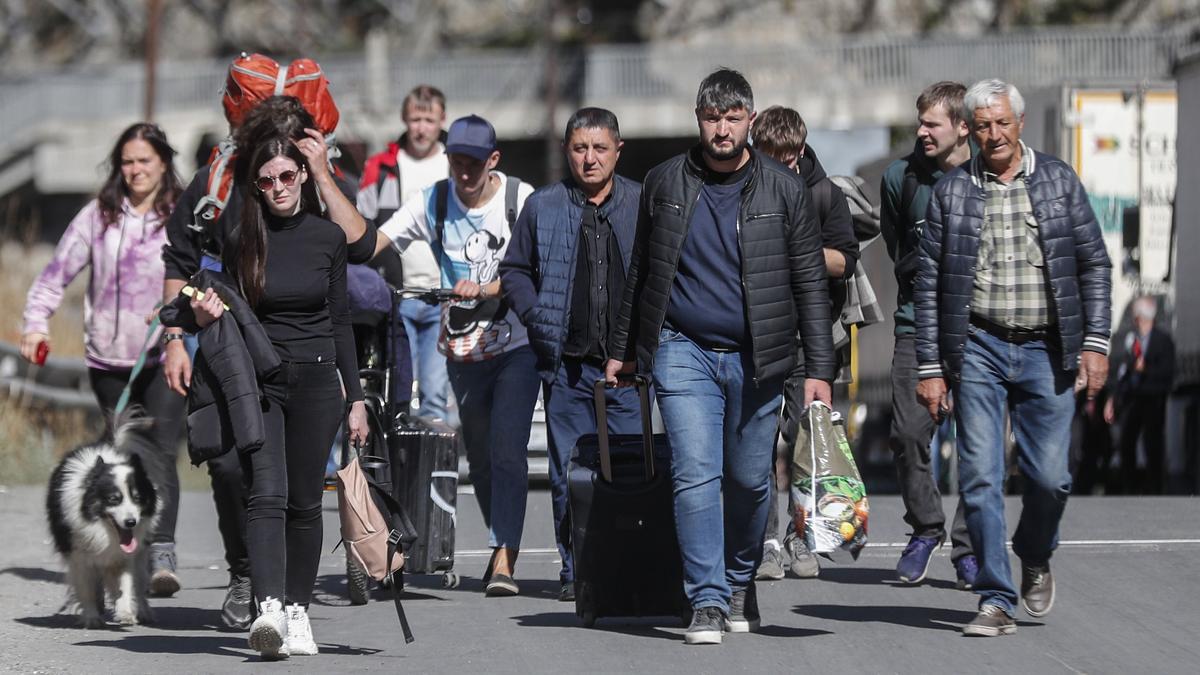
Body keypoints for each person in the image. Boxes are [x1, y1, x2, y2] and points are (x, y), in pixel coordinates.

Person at [604, 68, 835, 645]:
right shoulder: (664, 182)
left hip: (763, 357)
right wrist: (623, 351)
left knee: (751, 480)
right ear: (699, 119)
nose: (723, 128)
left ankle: (738, 582)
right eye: (713, 117)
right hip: (684, 351)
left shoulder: (785, 190)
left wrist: (821, 374)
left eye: (734, 118)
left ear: (750, 121)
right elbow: (641, 273)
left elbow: (811, 282)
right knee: (695, 473)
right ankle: (706, 600)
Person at [161, 91, 377, 629]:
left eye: (287, 175)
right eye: (267, 179)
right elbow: (193, 285)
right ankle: (266, 606)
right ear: (253, 175)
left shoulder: (328, 235)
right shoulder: (238, 234)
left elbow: (342, 315)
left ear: (302, 171)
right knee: (261, 489)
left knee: (304, 502)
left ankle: (297, 611)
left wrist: (356, 398)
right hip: (258, 381)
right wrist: (192, 321)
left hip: (319, 381)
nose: (278, 187)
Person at [914, 78, 1111, 637]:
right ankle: (995, 598)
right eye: (982, 125)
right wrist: (931, 368)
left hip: (1050, 349)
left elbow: (1093, 264)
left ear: (1019, 124)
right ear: (969, 131)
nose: (993, 135)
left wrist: (1096, 343)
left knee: (1051, 479)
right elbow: (929, 285)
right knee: (980, 475)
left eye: (1002, 123)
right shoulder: (952, 192)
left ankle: (1035, 552)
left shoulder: (1057, 182)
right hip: (978, 346)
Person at [373, 114, 537, 596]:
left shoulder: (520, 200)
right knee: (482, 458)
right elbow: (375, 241)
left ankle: (504, 554)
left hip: (517, 344)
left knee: (508, 449)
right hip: (463, 351)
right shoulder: (434, 201)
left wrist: (488, 287)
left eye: (472, 163)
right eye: (456, 162)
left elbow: (541, 263)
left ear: (493, 160)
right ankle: (498, 544)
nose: (463, 173)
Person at [22, 122, 187, 598]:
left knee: (157, 450)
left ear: (163, 163)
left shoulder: (180, 214)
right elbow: (57, 273)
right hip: (108, 360)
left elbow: (203, 273)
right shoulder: (99, 216)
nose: (135, 170)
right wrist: (36, 322)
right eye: (128, 162)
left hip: (163, 353)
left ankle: (162, 553)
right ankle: (120, 558)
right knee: (119, 452)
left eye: (145, 161)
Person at [499, 107, 643, 602]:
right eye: (580, 148)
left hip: (625, 372)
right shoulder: (543, 205)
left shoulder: (641, 203)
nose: (589, 158)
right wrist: (537, 317)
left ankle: (627, 566)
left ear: (617, 151)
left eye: (600, 148)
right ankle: (576, 571)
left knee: (629, 473)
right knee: (569, 477)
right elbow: (514, 270)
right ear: (567, 151)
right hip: (566, 369)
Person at [747, 105, 858, 581]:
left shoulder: (823, 193)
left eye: (792, 157)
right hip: (756, 336)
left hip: (807, 339)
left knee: (802, 445)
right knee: (757, 446)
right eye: (776, 157)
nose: (785, 166)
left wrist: (797, 250)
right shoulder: (744, 185)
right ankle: (767, 541)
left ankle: (801, 535)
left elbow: (845, 260)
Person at [879, 81, 978, 589]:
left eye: (931, 123)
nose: (921, 132)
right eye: (918, 123)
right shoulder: (900, 178)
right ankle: (925, 528)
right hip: (916, 327)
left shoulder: (987, 177)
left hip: (979, 332)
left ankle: (968, 547)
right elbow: (901, 252)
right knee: (907, 434)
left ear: (962, 127)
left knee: (979, 449)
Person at [358, 85, 454, 423]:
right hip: (396, 296)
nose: (422, 128)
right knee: (394, 392)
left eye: (429, 119)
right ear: (404, 119)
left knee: (434, 394)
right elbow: (361, 227)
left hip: (443, 297)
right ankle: (395, 471)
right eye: (416, 119)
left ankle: (431, 474)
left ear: (442, 120)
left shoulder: (453, 165)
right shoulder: (382, 167)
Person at [1104, 296, 1175, 494]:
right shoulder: (1130, 340)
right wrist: (1114, 397)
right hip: (1132, 398)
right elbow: (1122, 371)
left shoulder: (1163, 340)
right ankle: (1130, 485)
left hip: (1153, 398)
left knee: (1152, 442)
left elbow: (1167, 372)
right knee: (1127, 440)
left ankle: (1155, 487)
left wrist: (1146, 369)